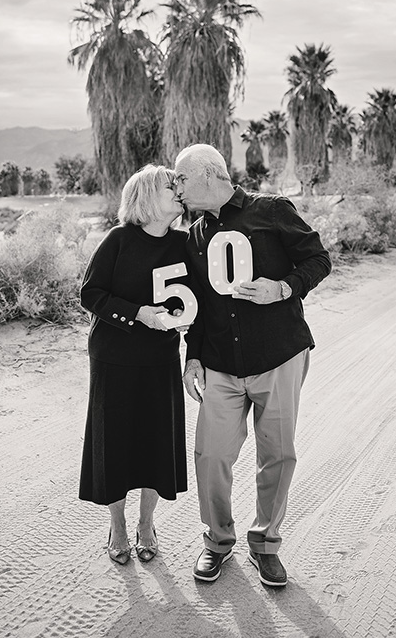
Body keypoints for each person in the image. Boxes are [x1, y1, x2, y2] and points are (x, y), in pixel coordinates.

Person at [174, 143, 331, 587]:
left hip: (279, 354)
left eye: (181, 179)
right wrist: (194, 358)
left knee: (277, 454)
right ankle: (217, 542)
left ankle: (265, 544)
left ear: (208, 175)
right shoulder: (195, 237)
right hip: (221, 364)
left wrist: (282, 288)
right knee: (210, 454)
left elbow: (319, 260)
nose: (177, 187)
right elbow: (200, 306)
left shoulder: (272, 210)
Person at [79, 164, 195, 565]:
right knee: (115, 445)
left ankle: (147, 524)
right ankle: (119, 526)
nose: (178, 192)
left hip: (161, 357)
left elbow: (197, 307)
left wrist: (193, 352)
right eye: (170, 186)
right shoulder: (118, 240)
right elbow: (90, 293)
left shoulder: (184, 244)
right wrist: (136, 314)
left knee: (154, 443)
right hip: (114, 357)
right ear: (146, 196)